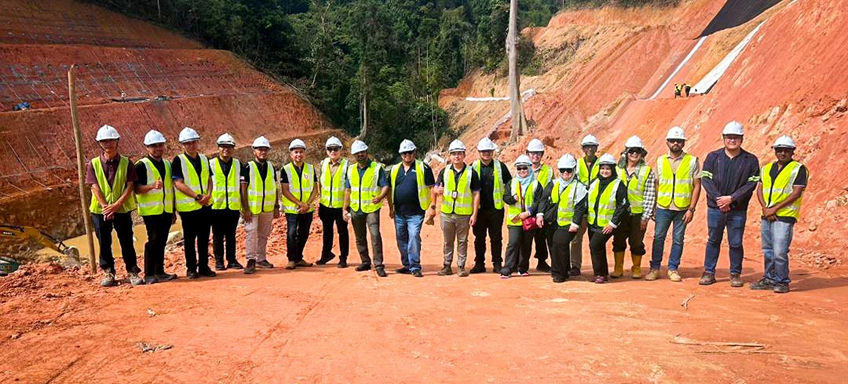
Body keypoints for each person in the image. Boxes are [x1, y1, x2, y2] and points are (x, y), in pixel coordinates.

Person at [700, 121, 760, 287]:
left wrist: (732, 198)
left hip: (737, 210)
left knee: (735, 242)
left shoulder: (751, 160)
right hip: (715, 208)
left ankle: (735, 273)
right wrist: (720, 199)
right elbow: (706, 179)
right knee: (713, 240)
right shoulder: (713, 157)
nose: (732, 140)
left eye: (736, 137)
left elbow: (751, 184)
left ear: (742, 139)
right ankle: (709, 272)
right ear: (723, 138)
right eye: (729, 137)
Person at [87, 125, 142, 287]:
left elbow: (130, 185)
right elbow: (94, 186)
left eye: (111, 140)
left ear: (117, 141)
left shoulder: (127, 163)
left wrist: (116, 205)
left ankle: (132, 271)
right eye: (104, 141)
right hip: (99, 210)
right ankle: (108, 271)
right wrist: (106, 206)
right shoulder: (94, 164)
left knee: (126, 241)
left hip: (122, 209)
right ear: (100, 143)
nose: (108, 144)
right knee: (104, 241)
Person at [752, 136, 808, 294]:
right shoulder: (766, 168)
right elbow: (759, 189)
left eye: (786, 150)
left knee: (780, 252)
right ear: (775, 151)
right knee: (768, 250)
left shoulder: (798, 169)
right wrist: (765, 208)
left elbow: (796, 193)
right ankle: (769, 279)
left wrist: (774, 209)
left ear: (792, 152)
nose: (782, 153)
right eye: (779, 150)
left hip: (784, 216)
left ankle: (782, 281)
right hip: (767, 215)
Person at [647, 126, 701, 282]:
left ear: (683, 143)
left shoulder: (692, 161)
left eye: (679, 140)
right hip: (663, 207)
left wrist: (692, 208)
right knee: (658, 238)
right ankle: (655, 268)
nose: (675, 143)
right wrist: (655, 206)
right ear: (667, 142)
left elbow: (697, 185)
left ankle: (673, 268)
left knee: (678, 239)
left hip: (682, 208)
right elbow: (657, 184)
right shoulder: (660, 161)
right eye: (672, 140)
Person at [134, 130, 178, 284]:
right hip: (151, 211)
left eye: (160, 145)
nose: (158, 148)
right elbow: (136, 189)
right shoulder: (141, 165)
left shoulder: (166, 163)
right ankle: (149, 273)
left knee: (162, 240)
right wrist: (152, 186)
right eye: (154, 146)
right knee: (153, 240)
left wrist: (172, 210)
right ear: (147, 147)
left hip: (165, 210)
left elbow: (169, 189)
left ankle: (160, 271)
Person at [434, 139, 481, 277]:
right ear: (450, 155)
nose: (457, 156)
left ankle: (461, 266)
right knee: (448, 241)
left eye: (459, 153)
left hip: (464, 214)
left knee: (462, 241)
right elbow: (436, 187)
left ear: (464, 155)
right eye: (454, 153)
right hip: (447, 213)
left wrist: (474, 214)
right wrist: (438, 190)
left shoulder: (471, 172)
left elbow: (476, 193)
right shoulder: (444, 171)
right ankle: (447, 265)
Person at [173, 127, 215, 279]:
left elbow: (210, 179)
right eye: (187, 143)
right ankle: (191, 268)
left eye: (193, 142)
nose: (191, 145)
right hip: (188, 208)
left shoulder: (204, 159)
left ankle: (203, 266)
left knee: (204, 238)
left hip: (205, 205)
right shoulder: (179, 160)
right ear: (183, 145)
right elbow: (178, 183)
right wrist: (197, 196)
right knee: (190, 240)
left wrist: (208, 195)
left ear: (198, 142)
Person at [390, 139, 436, 278]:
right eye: (404, 153)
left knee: (414, 237)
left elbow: (432, 188)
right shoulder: (395, 169)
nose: (407, 155)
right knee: (401, 239)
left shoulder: (423, 168)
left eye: (410, 152)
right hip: (399, 212)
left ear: (414, 152)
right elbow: (390, 189)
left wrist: (432, 207)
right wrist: (391, 208)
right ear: (400, 154)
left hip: (416, 212)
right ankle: (407, 265)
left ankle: (415, 266)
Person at [344, 140, 390, 277]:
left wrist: (380, 197)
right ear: (353, 155)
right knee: (359, 237)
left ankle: (379, 264)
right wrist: (344, 209)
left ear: (366, 152)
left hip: (371, 208)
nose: (360, 155)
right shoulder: (351, 169)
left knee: (375, 235)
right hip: (355, 209)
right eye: (357, 153)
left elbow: (385, 186)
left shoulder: (376, 168)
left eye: (362, 152)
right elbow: (348, 190)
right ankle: (365, 261)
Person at [611, 136, 655, 279]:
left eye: (638, 151)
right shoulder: (617, 171)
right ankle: (618, 268)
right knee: (618, 241)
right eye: (631, 151)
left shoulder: (647, 171)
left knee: (636, 242)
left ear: (642, 153)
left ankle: (636, 268)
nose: (634, 154)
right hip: (620, 215)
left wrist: (646, 217)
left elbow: (650, 195)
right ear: (626, 153)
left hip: (637, 215)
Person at [470, 137, 511, 273]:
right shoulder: (473, 167)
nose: (486, 153)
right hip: (479, 209)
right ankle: (479, 264)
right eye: (483, 151)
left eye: (488, 151)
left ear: (492, 151)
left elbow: (509, 183)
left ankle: (497, 264)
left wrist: (509, 197)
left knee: (496, 238)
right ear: (479, 152)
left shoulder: (500, 167)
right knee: (479, 238)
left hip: (496, 209)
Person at [544, 154, 587, 283]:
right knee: (553, 243)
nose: (566, 173)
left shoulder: (579, 187)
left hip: (568, 223)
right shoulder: (554, 183)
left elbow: (580, 208)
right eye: (563, 170)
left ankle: (559, 273)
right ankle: (564, 269)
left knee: (559, 242)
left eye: (569, 170)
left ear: (574, 170)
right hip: (554, 221)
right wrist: (541, 214)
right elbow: (543, 199)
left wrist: (575, 224)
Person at [586, 154, 629, 284]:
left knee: (595, 245)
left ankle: (600, 273)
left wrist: (612, 223)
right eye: (602, 168)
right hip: (593, 222)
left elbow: (623, 205)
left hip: (607, 224)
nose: (605, 171)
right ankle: (601, 273)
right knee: (596, 247)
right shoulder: (594, 182)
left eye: (608, 169)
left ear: (613, 170)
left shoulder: (618, 184)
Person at [500, 155, 544, 278]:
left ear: (529, 168)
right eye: (519, 169)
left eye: (524, 168)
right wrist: (512, 199)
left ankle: (522, 268)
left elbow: (539, 201)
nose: (522, 171)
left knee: (526, 244)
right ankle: (507, 269)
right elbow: (505, 197)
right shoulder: (512, 182)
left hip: (529, 220)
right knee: (513, 243)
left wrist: (529, 212)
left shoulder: (536, 184)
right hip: (514, 221)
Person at [241, 136, 280, 274]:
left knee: (263, 234)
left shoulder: (271, 167)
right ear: (254, 151)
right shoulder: (247, 167)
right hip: (252, 208)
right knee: (251, 233)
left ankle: (261, 258)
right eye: (260, 149)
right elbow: (243, 189)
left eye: (265, 149)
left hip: (267, 208)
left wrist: (276, 206)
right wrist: (245, 208)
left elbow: (275, 187)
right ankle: (251, 260)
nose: (263, 152)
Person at [280, 139, 317, 270]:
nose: (298, 155)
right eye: (296, 152)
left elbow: (315, 189)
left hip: (307, 209)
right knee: (291, 233)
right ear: (291, 154)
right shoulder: (286, 170)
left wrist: (307, 204)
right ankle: (291, 259)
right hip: (292, 209)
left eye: (301, 152)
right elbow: (285, 190)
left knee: (304, 233)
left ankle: (299, 258)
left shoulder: (311, 169)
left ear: (304, 154)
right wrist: (300, 203)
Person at [209, 133, 244, 271]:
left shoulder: (238, 164)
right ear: (218, 148)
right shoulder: (210, 164)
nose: (226, 150)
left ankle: (232, 259)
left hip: (233, 206)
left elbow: (242, 185)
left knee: (231, 235)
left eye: (229, 147)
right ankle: (219, 261)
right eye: (223, 147)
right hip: (216, 206)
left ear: (233, 148)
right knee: (217, 236)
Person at [317, 136, 350, 268]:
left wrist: (347, 207)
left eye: (335, 149)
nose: (333, 151)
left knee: (342, 232)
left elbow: (349, 187)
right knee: (327, 231)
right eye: (330, 149)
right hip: (326, 205)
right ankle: (326, 254)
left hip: (341, 206)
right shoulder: (323, 164)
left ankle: (343, 258)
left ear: (340, 150)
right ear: (326, 151)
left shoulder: (347, 165)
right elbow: (320, 183)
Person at [571, 134, 601, 276]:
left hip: (596, 208)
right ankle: (575, 265)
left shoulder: (602, 164)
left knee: (595, 240)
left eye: (592, 147)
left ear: (596, 148)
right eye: (587, 147)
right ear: (583, 149)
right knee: (576, 238)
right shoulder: (577, 164)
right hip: (582, 207)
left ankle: (598, 268)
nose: (589, 149)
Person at [526, 138, 553, 272]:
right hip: (526, 209)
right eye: (532, 153)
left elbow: (550, 190)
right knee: (524, 238)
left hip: (542, 209)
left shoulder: (548, 171)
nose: (535, 155)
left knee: (541, 237)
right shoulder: (523, 168)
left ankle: (542, 261)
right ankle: (521, 263)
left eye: (538, 153)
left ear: (542, 155)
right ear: (528, 154)